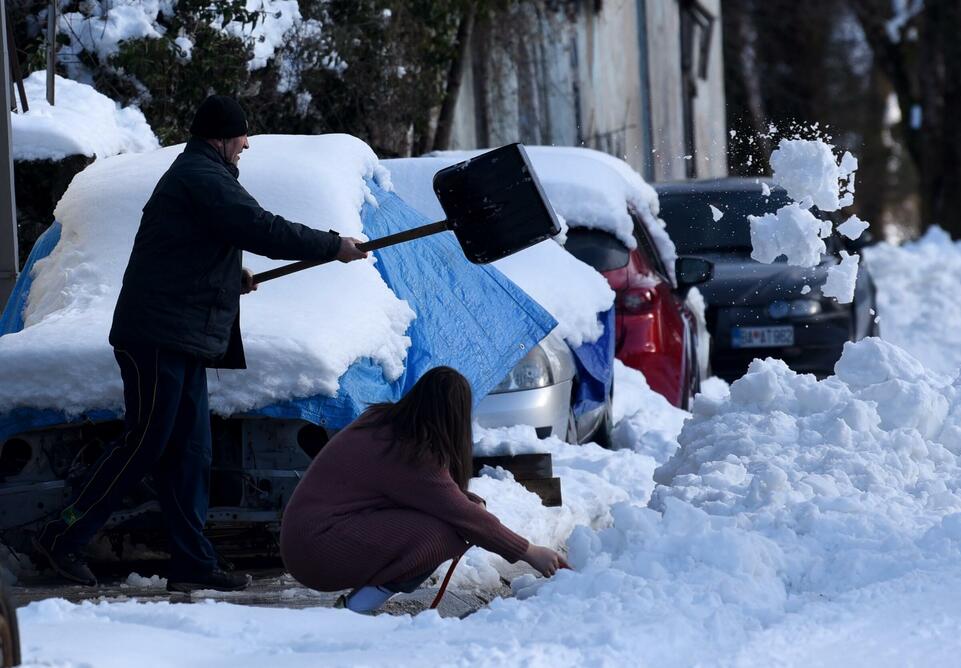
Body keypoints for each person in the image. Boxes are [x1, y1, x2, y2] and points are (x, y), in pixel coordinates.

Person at [33, 95, 369, 592]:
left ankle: (192, 563)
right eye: (242, 135)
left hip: (179, 337)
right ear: (221, 136)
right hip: (155, 338)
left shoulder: (201, 177)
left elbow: (181, 248)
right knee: (144, 444)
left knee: (191, 453)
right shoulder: (202, 177)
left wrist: (229, 276)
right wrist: (331, 245)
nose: (247, 144)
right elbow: (258, 226)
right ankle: (61, 536)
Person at [280, 366, 568, 613]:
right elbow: (463, 517)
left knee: (456, 522)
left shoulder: (386, 426)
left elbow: (437, 497)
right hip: (316, 549)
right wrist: (530, 552)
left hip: (308, 538)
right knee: (448, 534)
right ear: (453, 416)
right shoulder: (407, 452)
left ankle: (360, 604)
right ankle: (356, 609)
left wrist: (467, 503)